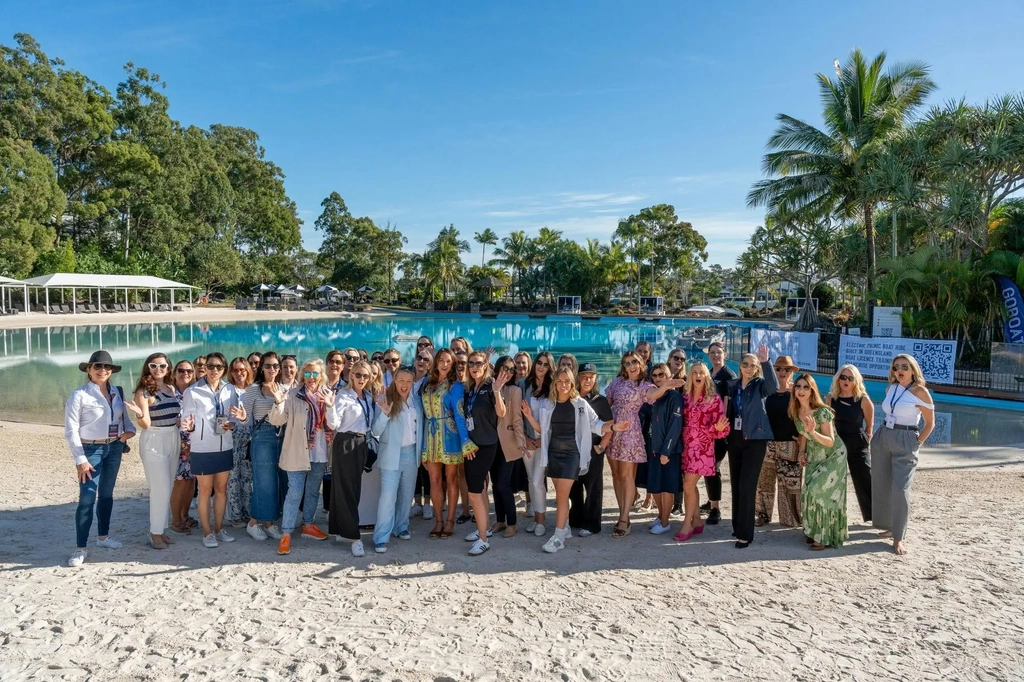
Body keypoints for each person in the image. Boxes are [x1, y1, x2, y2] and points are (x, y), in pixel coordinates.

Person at [522, 367, 630, 553]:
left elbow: (596, 424)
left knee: (562, 497)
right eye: (560, 381)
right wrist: (529, 417)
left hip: (573, 455)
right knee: (561, 496)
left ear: (572, 383)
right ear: (555, 383)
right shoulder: (549, 403)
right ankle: (564, 529)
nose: (563, 385)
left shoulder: (580, 404)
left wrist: (613, 428)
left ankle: (558, 537)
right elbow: (542, 429)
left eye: (567, 381)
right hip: (553, 454)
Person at [65, 350, 137, 567]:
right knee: (87, 498)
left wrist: (129, 433)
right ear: (89, 370)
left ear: (112, 371)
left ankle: (103, 537)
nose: (103, 370)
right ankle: (80, 548)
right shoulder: (79, 395)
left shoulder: (117, 392)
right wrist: (80, 459)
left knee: (106, 495)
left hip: (114, 448)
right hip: (90, 450)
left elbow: (125, 423)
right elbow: (71, 430)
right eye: (98, 367)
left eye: (107, 367)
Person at [605, 350, 683, 538]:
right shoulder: (617, 382)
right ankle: (622, 513)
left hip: (630, 433)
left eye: (634, 362)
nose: (631, 366)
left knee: (627, 477)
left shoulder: (644, 385)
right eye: (627, 363)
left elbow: (654, 394)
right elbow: (606, 403)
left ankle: (624, 518)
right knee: (615, 475)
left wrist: (665, 385)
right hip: (614, 430)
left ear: (640, 363)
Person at [180, 351, 247, 548]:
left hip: (224, 446)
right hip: (202, 448)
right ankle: (207, 532)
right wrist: (189, 426)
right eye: (210, 366)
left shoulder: (230, 389)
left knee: (221, 489)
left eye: (218, 367)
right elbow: (187, 419)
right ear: (205, 368)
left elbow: (234, 417)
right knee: (205, 490)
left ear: (224, 369)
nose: (214, 370)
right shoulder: (192, 391)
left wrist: (235, 422)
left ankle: (219, 528)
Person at [269, 359, 335, 555]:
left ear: (321, 375)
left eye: (315, 374)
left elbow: (334, 422)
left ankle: (308, 524)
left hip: (320, 450)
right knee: (295, 491)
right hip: (297, 451)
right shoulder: (292, 395)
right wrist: (278, 401)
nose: (311, 378)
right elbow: (277, 420)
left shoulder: (328, 394)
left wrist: (330, 406)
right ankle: (287, 532)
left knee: (313, 490)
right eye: (307, 374)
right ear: (302, 376)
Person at [872, 354, 934, 555]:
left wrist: (917, 443)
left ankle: (899, 537)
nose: (900, 370)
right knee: (883, 483)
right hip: (884, 435)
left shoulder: (920, 391)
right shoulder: (891, 388)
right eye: (896, 367)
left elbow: (930, 423)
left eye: (904, 367)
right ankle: (890, 526)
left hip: (906, 438)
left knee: (901, 488)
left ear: (913, 370)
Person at [725, 345, 779, 549]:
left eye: (752, 365)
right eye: (745, 364)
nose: (748, 368)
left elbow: (774, 387)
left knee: (747, 486)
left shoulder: (760, 385)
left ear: (756, 368)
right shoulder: (733, 386)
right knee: (737, 484)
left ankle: (745, 534)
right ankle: (737, 525)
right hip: (735, 437)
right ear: (740, 367)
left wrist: (766, 362)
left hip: (756, 439)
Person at [421, 348, 475, 539]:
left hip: (450, 435)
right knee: (434, 481)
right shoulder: (428, 384)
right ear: (436, 362)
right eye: (441, 360)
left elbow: (460, 416)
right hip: (431, 436)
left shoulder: (455, 386)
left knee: (451, 479)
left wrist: (465, 440)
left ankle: (450, 520)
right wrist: (422, 447)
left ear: (453, 364)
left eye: (448, 361)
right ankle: (438, 520)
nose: (444, 364)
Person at [461, 351, 511, 555]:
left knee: (473, 493)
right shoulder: (471, 387)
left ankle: (483, 539)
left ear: (485, 365)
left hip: (485, 445)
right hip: (471, 445)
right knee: (479, 490)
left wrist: (498, 392)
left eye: (478, 363)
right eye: (471, 363)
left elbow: (501, 413)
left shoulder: (491, 386)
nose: (474, 366)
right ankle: (484, 529)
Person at [792, 374, 848, 549]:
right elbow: (803, 434)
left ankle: (822, 538)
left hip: (833, 456)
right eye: (798, 386)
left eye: (806, 387)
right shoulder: (796, 411)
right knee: (808, 491)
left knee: (819, 491)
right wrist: (801, 451)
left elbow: (830, 441)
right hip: (814, 456)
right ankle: (814, 531)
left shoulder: (822, 412)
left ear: (812, 391)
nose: (801, 390)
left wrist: (813, 432)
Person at [370, 366, 422, 553]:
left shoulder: (416, 400)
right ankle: (381, 537)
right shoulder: (385, 399)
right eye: (401, 380)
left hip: (411, 453)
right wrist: (384, 413)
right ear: (394, 379)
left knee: (406, 495)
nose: (404, 385)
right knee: (388, 497)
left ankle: (401, 527)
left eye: (409, 381)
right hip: (391, 454)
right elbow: (375, 431)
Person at [330, 359, 378, 556]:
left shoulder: (367, 396)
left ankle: (341, 530)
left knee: (353, 488)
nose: (361, 379)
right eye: (358, 375)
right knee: (347, 489)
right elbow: (334, 423)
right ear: (351, 375)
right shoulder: (343, 395)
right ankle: (354, 537)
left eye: (365, 376)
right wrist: (328, 406)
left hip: (362, 443)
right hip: (346, 443)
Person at [132, 352, 180, 549]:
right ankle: (155, 533)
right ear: (147, 367)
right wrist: (140, 414)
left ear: (168, 368)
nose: (158, 369)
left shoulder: (171, 388)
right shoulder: (144, 392)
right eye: (154, 366)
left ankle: (162, 528)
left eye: (162, 366)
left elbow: (176, 414)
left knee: (168, 486)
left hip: (173, 436)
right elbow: (145, 424)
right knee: (160, 488)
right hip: (154, 438)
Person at [677, 362, 729, 541]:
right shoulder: (685, 398)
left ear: (707, 376)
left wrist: (715, 428)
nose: (698, 375)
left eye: (702, 373)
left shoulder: (714, 399)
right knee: (689, 486)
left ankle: (687, 524)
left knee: (688, 485)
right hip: (686, 448)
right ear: (690, 376)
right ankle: (698, 520)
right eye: (695, 373)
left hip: (702, 450)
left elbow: (723, 430)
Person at [242, 352, 287, 541]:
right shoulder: (253, 390)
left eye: (276, 366)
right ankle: (253, 523)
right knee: (263, 482)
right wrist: (241, 418)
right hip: (262, 437)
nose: (272, 369)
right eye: (268, 366)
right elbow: (244, 418)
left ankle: (268, 523)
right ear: (262, 368)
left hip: (282, 437)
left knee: (277, 482)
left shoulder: (284, 388)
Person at [755, 356, 802, 528]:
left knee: (790, 482)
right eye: (779, 369)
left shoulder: (797, 392)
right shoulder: (768, 391)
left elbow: (806, 415)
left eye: (786, 369)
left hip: (791, 443)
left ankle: (791, 517)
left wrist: (803, 439)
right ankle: (763, 514)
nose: (782, 372)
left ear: (791, 372)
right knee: (764, 482)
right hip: (769, 442)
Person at [569, 363, 612, 537]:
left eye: (591, 377)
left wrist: (602, 446)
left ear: (595, 378)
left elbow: (609, 425)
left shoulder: (600, 401)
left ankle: (592, 524)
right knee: (574, 485)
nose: (587, 380)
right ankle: (577, 519)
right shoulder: (571, 397)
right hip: (573, 447)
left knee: (593, 485)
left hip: (594, 447)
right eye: (584, 376)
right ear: (578, 377)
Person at [828, 364, 874, 523]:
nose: (846, 381)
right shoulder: (831, 398)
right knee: (834, 481)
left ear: (856, 381)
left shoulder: (863, 399)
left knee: (866, 479)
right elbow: (827, 423)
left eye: (850, 378)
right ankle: (834, 517)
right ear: (838, 379)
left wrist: (868, 439)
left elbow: (869, 424)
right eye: (843, 377)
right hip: (837, 443)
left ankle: (874, 516)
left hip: (857, 443)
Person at [644, 363, 684, 535]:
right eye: (655, 375)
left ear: (670, 376)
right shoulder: (654, 397)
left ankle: (666, 522)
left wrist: (666, 451)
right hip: (654, 448)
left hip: (669, 451)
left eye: (662, 374)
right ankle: (661, 516)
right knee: (656, 486)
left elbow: (675, 426)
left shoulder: (675, 397)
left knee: (667, 486)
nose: (658, 378)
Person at [490, 356, 526, 538]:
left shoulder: (514, 390)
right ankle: (499, 520)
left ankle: (512, 522)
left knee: (504, 484)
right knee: (495, 485)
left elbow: (517, 419)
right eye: (504, 367)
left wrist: (521, 442)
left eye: (511, 369)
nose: (508, 371)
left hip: (508, 443)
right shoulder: (490, 386)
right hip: (490, 443)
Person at [519, 351, 555, 536]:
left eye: (545, 364)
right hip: (528, 440)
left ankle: (541, 521)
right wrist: (525, 437)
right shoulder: (524, 384)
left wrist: (542, 439)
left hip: (545, 441)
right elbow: (517, 416)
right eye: (539, 362)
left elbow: (553, 419)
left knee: (537, 481)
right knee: (530, 480)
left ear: (550, 367)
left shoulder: (553, 388)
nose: (541, 366)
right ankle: (535, 518)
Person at [702, 341, 735, 524]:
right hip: (706, 429)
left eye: (719, 352)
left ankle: (715, 509)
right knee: (708, 466)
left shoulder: (728, 375)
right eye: (712, 352)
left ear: (725, 354)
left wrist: (721, 428)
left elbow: (727, 404)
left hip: (720, 430)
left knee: (713, 467)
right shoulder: (707, 373)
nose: (715, 355)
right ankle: (710, 500)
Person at [169, 359, 198, 535]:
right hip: (176, 442)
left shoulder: (195, 392)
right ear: (174, 373)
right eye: (181, 370)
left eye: (189, 371)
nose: (185, 373)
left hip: (194, 442)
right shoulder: (168, 392)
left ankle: (185, 515)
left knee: (190, 481)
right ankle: (176, 520)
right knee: (179, 482)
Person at [226, 356, 254, 527]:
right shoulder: (226, 389)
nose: (239, 373)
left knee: (248, 478)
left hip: (250, 439)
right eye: (235, 370)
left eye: (242, 369)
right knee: (232, 478)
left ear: (248, 371)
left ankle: (249, 513)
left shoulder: (254, 389)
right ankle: (235, 515)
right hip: (231, 437)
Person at [410, 349, 434, 520]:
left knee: (426, 468)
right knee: (414, 469)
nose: (422, 361)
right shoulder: (407, 379)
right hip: (408, 431)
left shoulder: (430, 383)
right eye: (419, 357)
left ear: (430, 365)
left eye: (426, 359)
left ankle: (428, 504)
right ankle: (417, 503)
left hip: (426, 429)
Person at [666, 349, 687, 516]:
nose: (679, 361)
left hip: (680, 429)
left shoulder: (686, 382)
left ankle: (678, 504)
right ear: (669, 358)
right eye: (676, 357)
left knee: (680, 469)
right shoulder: (660, 377)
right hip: (662, 428)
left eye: (682, 359)